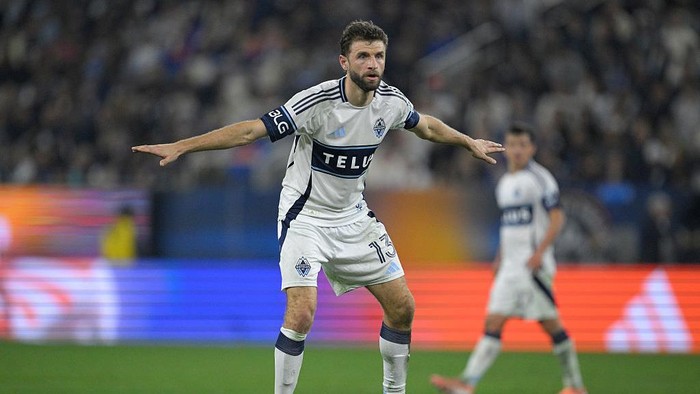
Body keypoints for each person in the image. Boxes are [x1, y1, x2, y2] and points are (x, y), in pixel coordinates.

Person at [132, 20, 504, 394]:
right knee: (302, 311)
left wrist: (467, 141)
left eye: (378, 56)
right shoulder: (317, 103)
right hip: (304, 218)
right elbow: (250, 132)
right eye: (363, 56)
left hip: (354, 218)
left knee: (403, 308)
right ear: (344, 62)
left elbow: (426, 127)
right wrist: (183, 145)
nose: (372, 64)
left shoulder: (391, 103)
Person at [430, 123, 586, 394]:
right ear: (505, 147)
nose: (517, 150)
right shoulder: (504, 183)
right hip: (510, 267)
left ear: (532, 148)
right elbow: (509, 226)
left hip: (531, 267)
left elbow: (558, 217)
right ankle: (467, 384)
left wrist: (539, 253)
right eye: (512, 145)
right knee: (493, 322)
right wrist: (500, 257)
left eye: (523, 145)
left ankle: (575, 386)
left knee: (552, 325)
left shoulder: (541, 178)